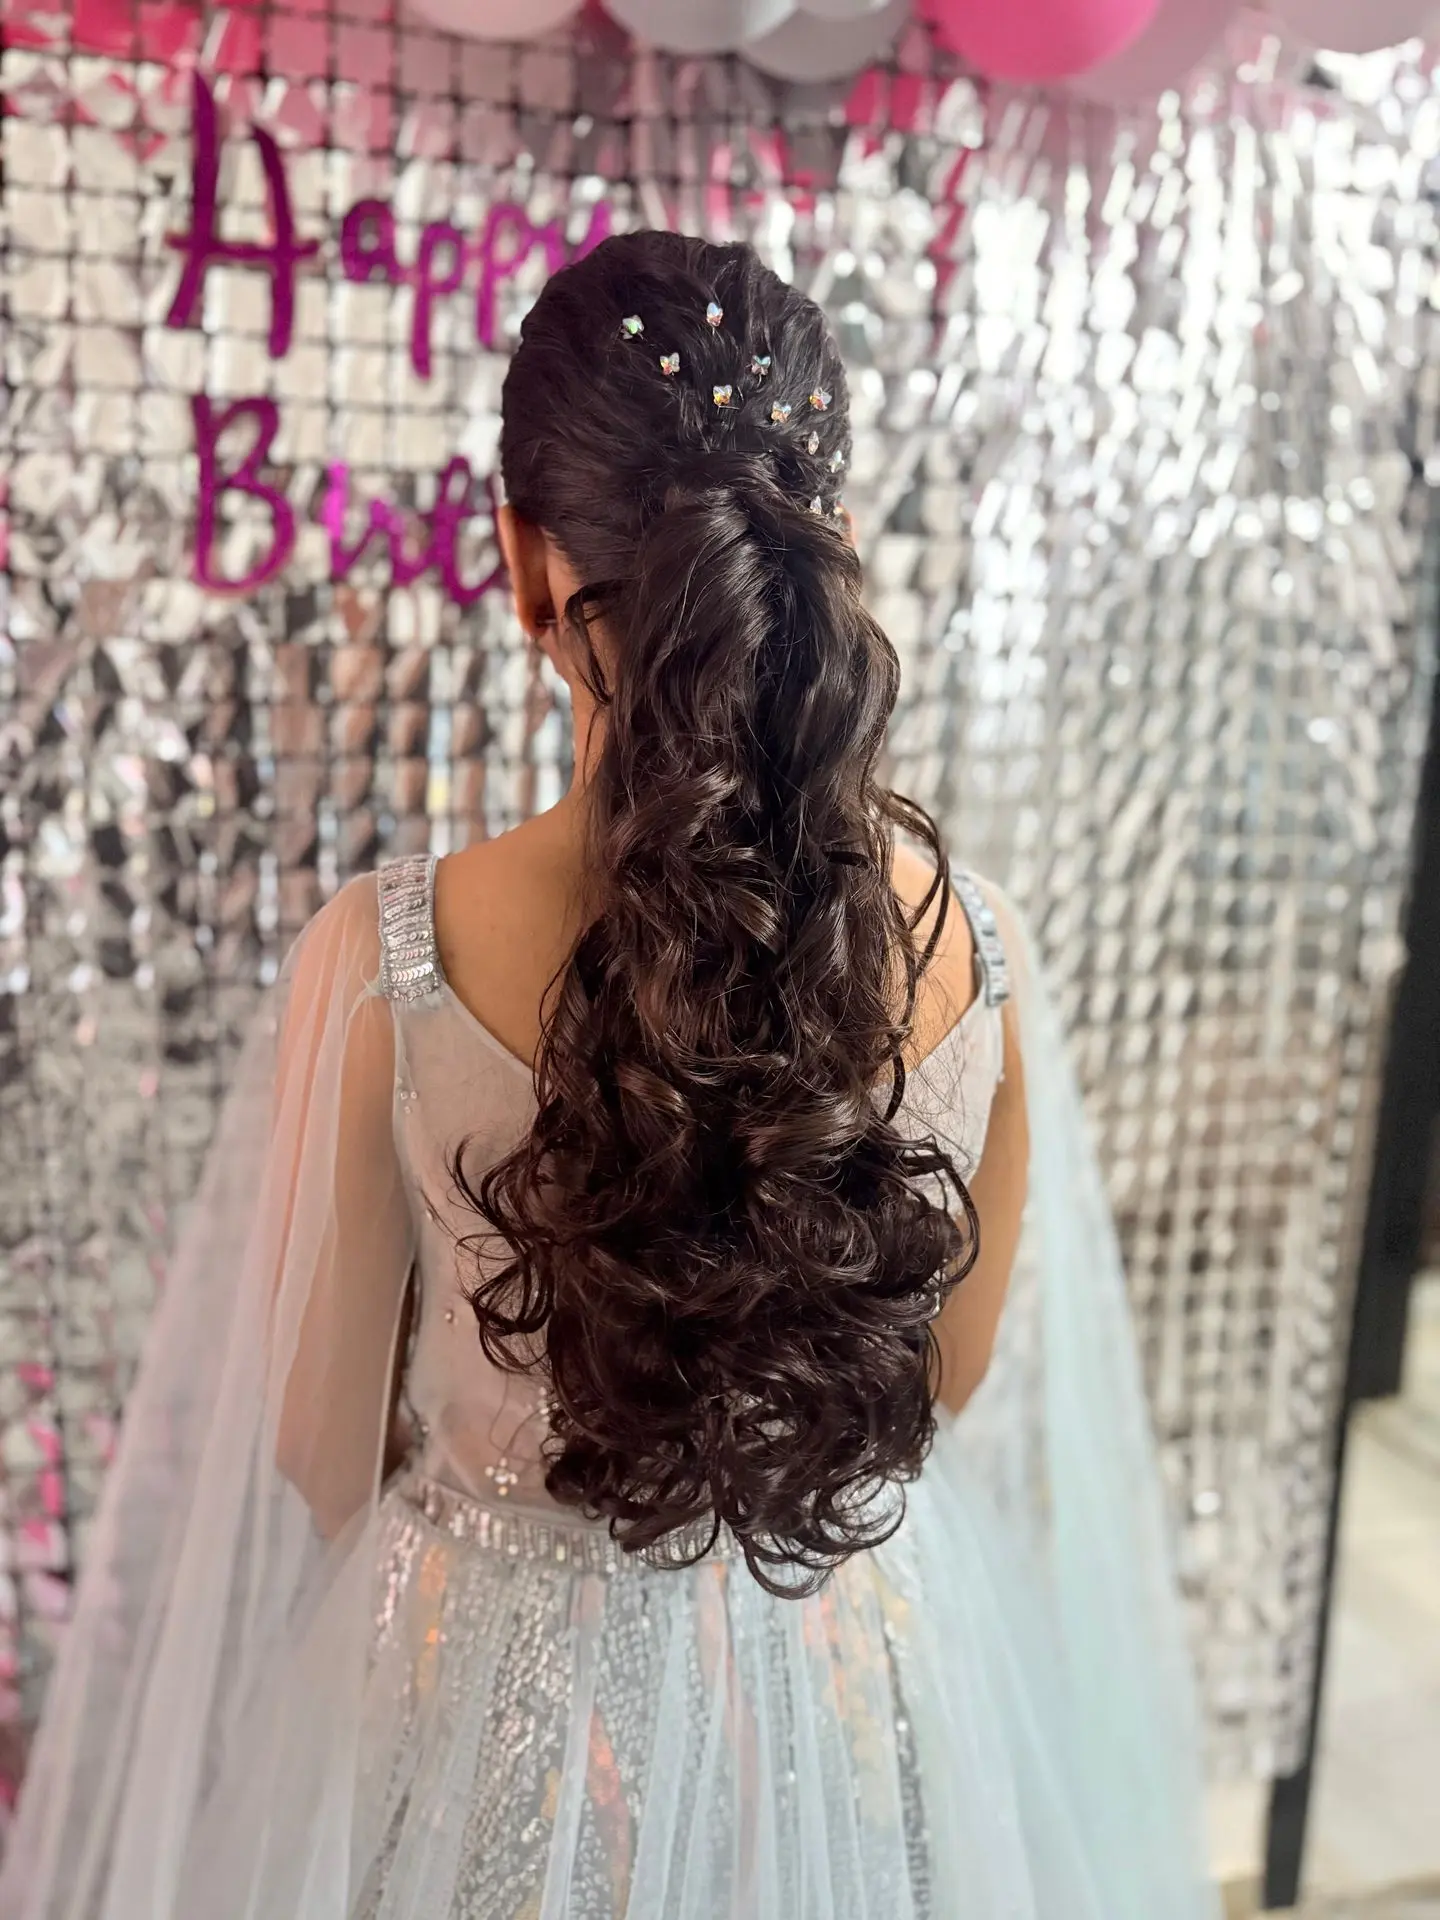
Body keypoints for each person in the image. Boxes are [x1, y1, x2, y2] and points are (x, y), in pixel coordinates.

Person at [1, 232, 1218, 1919]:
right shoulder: (976, 944)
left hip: (504, 1724)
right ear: (827, 545)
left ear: (523, 563)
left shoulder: (390, 959)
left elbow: (320, 1450)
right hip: (855, 1697)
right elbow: (941, 1382)